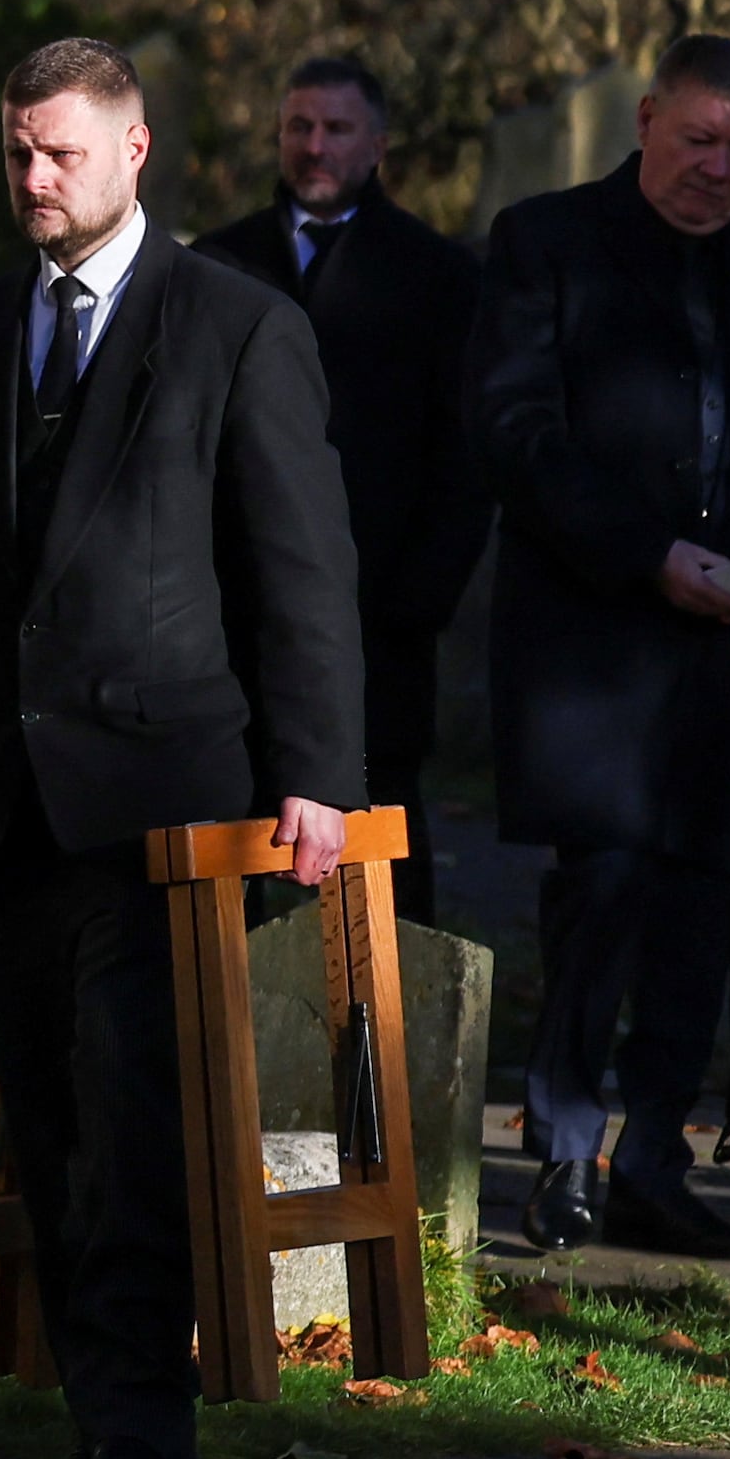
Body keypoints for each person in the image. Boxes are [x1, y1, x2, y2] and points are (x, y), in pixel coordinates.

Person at [0, 35, 363, 1459]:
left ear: (136, 149)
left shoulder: (235, 326)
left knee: (134, 1120)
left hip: (166, 799)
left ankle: (151, 1447)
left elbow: (299, 566)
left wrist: (321, 777)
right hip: (8, 804)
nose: (37, 177)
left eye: (64, 153)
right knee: (49, 1119)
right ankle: (103, 1438)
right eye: (20, 152)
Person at [472, 30, 730, 1256]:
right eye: (697, 141)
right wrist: (650, 557)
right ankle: (563, 1147)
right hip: (596, 638)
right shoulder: (545, 243)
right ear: (644, 120)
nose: (718, 169)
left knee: (698, 905)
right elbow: (519, 432)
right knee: (602, 889)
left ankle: (653, 1156)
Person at [197, 56, 490, 924]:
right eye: (299, 127)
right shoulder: (220, 264)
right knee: (240, 836)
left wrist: (412, 603)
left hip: (381, 619)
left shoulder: (438, 276)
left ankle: (389, 1044)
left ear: (379, 144)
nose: (314, 146)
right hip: (234, 614)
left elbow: (462, 456)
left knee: (380, 840)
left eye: (336, 129)